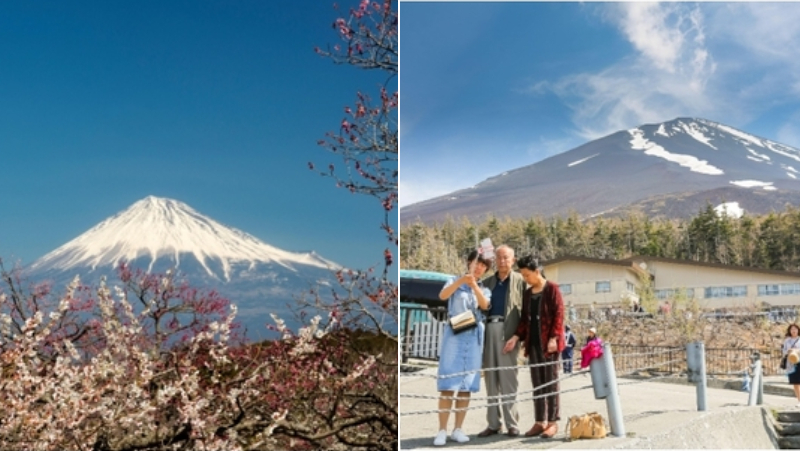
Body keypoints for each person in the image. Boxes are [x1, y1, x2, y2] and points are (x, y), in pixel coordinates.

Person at [433, 250, 492, 446]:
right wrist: (461, 281)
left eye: (483, 266)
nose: (479, 268)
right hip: (455, 334)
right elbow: (443, 295)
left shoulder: (484, 288)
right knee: (449, 383)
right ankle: (441, 430)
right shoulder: (452, 280)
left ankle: (458, 428)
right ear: (469, 263)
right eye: (477, 263)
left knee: (467, 385)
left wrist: (474, 285)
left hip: (474, 335)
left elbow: (485, 305)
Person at [503, 255, 565, 439]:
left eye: (527, 275)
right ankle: (540, 421)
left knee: (551, 383)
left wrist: (554, 337)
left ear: (537, 271)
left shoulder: (552, 289)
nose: (525, 279)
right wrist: (515, 337)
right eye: (522, 275)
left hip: (549, 344)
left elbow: (559, 315)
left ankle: (553, 423)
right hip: (533, 343)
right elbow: (524, 320)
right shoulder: (528, 294)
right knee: (537, 384)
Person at [477, 245, 525, 438]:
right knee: (490, 379)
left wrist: (518, 336)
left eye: (506, 258)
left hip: (509, 332)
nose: (502, 261)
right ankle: (493, 423)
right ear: (494, 260)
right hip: (489, 329)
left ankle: (512, 423)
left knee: (508, 379)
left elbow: (525, 312)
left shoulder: (520, 281)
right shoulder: (487, 282)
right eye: (499, 258)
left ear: (513, 260)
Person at [783, 323, 800, 406]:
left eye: (795, 329)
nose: (793, 330)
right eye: (792, 329)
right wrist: (789, 351)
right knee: (796, 383)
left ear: (798, 330)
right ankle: (799, 401)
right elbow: (784, 351)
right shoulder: (787, 340)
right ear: (789, 330)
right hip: (791, 363)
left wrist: (797, 350)